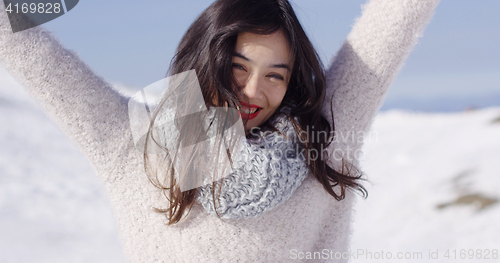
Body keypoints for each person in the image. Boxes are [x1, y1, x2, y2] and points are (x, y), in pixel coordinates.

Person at [0, 0, 440, 262]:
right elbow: (29, 54)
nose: (253, 90)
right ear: (207, 58)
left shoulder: (320, 140)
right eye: (238, 67)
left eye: (275, 75)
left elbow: (394, 23)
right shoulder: (135, 147)